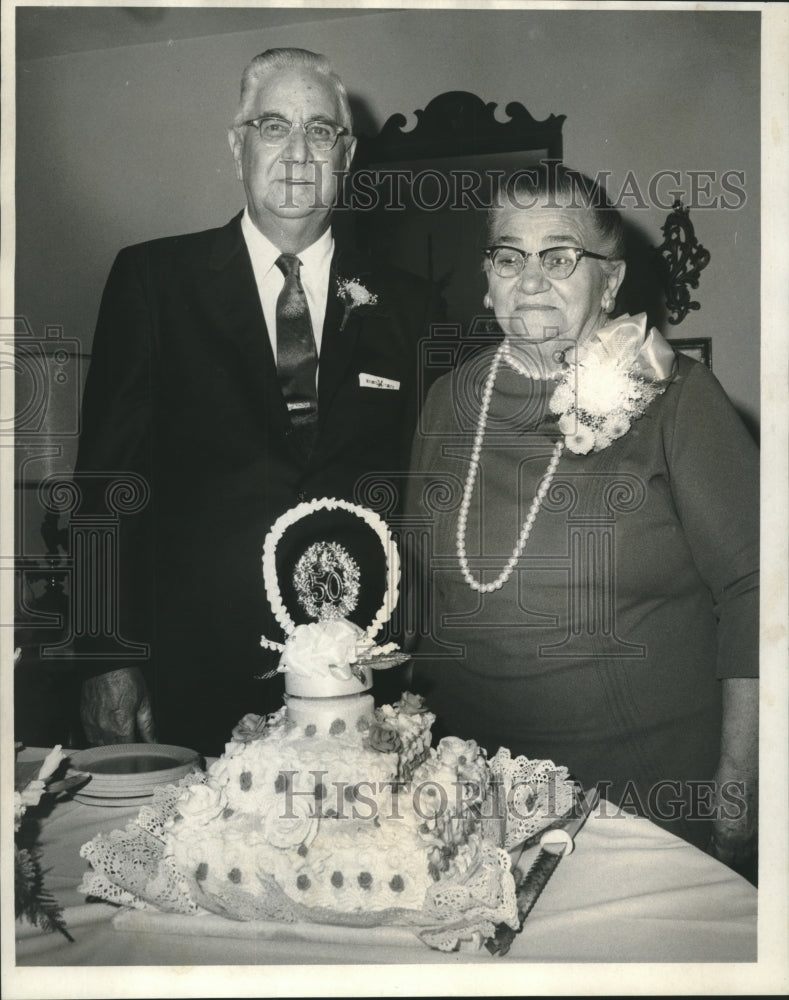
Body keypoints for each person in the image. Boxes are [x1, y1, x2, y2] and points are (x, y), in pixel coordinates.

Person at [75, 48, 439, 754]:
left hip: (359, 685)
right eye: (274, 126)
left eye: (320, 131)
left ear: (347, 154)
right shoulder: (154, 281)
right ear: (237, 145)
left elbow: (425, 499)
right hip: (191, 673)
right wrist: (103, 656)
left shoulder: (410, 305)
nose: (298, 153)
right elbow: (103, 484)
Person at [405, 164, 758, 866]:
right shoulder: (447, 400)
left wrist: (738, 786)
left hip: (639, 815)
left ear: (610, 280)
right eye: (509, 256)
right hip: (472, 814)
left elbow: (760, 589)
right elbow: (419, 594)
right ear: (487, 279)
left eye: (560, 256)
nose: (531, 279)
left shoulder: (680, 398)